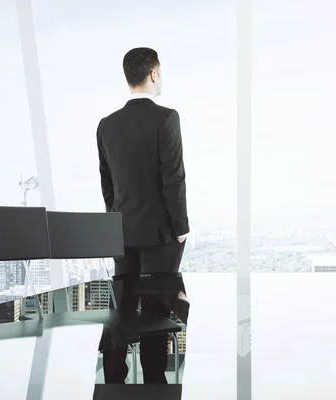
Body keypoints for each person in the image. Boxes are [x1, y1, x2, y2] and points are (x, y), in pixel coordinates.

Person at [96, 47, 189, 384]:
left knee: (122, 312)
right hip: (161, 236)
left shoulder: (106, 126)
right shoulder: (166, 118)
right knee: (155, 315)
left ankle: (113, 384)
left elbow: (107, 186)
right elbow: (173, 177)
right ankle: (154, 384)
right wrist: (181, 227)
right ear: (154, 73)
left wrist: (113, 226)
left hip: (121, 235)